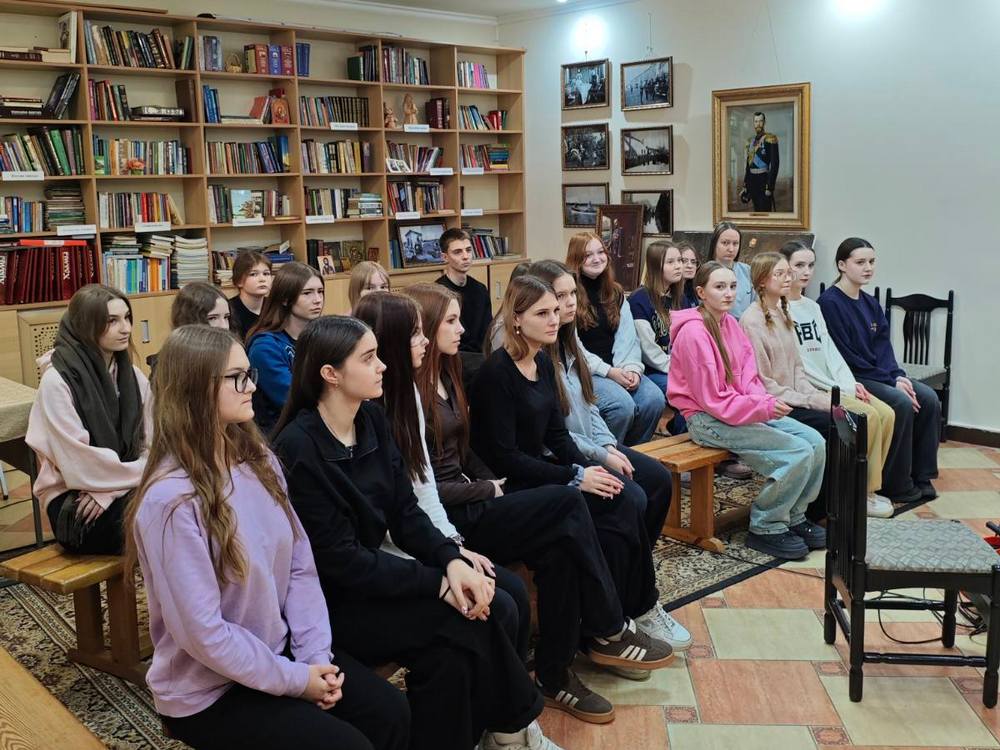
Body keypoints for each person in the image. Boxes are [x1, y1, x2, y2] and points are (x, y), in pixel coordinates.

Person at [272, 316, 560, 750]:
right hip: (332, 604)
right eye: (368, 358)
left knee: (457, 644)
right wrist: (438, 583)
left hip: (375, 579)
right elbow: (341, 561)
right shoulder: (299, 448)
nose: (383, 366)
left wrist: (451, 559)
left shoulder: (371, 419)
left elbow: (405, 512)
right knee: (468, 620)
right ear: (330, 374)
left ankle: (495, 733)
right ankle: (513, 730)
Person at [126, 325, 408, 750]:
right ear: (196, 389)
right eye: (237, 377)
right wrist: (297, 680)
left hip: (278, 655)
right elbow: (204, 634)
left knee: (391, 714)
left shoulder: (258, 459)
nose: (252, 386)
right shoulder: (169, 501)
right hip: (210, 690)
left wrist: (315, 658)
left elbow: (300, 565)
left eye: (250, 374)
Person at [407, 283, 674, 724]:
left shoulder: (449, 373)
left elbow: (472, 450)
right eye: (450, 321)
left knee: (568, 542)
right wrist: (494, 487)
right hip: (458, 515)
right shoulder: (421, 392)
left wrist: (501, 480)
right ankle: (609, 626)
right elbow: (428, 485)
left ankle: (556, 673)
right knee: (569, 505)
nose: (462, 329)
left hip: (484, 492)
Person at [470, 276, 681, 656]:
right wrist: (576, 476)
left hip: (541, 468)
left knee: (622, 496)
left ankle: (633, 606)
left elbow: (557, 436)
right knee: (612, 504)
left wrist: (591, 468)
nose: (555, 319)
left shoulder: (542, 362)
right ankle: (607, 626)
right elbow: (505, 458)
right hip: (512, 481)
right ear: (516, 319)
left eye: (556, 310)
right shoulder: (496, 373)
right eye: (543, 313)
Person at [351, 291, 532, 669]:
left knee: (512, 591)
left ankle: (513, 696)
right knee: (497, 604)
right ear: (391, 342)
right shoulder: (367, 413)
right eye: (416, 333)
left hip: (424, 537)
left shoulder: (406, 395)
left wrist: (452, 546)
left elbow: (422, 487)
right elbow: (389, 522)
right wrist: (443, 560)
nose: (426, 340)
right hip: (394, 558)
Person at [668, 262, 826, 560]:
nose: (728, 293)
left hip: (737, 410)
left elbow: (750, 378)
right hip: (706, 419)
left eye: (732, 286)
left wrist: (763, 402)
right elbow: (714, 400)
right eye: (719, 287)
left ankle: (794, 516)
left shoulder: (730, 323)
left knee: (815, 442)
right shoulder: (693, 334)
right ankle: (766, 525)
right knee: (796, 452)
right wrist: (763, 407)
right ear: (701, 292)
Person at [25, 284, 152, 554]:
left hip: (120, 488)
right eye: (112, 321)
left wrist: (111, 490)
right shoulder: (56, 382)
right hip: (76, 501)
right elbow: (79, 464)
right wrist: (139, 475)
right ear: (85, 326)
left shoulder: (133, 376)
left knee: (181, 502)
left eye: (127, 317)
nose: (126, 328)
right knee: (164, 517)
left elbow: (155, 444)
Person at [778, 241, 897, 516]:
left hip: (834, 382)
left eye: (810, 265)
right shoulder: (781, 310)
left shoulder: (812, 307)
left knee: (887, 414)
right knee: (867, 417)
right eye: (798, 265)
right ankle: (859, 493)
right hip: (815, 387)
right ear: (783, 268)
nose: (806, 272)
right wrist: (836, 388)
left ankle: (868, 489)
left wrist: (850, 383)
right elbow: (802, 364)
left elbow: (830, 352)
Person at [819, 237, 940, 501]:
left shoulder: (870, 301)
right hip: (854, 376)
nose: (868, 268)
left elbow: (883, 347)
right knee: (901, 402)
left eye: (872, 262)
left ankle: (922, 475)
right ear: (841, 265)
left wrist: (897, 376)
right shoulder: (829, 303)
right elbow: (845, 356)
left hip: (880, 374)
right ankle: (896, 483)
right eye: (860, 262)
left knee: (928, 398)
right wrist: (890, 381)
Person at [738, 252, 835, 522]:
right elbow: (764, 383)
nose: (787, 279)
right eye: (779, 274)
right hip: (773, 404)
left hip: (793, 397)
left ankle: (833, 503)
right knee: (827, 425)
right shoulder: (751, 321)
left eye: (787, 273)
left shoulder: (782, 313)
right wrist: (809, 402)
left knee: (841, 416)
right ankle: (811, 510)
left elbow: (797, 369)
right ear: (761, 281)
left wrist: (814, 396)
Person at [565, 232, 665, 445]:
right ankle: (606, 454)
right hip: (586, 371)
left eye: (601, 252)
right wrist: (609, 372)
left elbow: (628, 338)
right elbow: (574, 347)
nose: (597, 259)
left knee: (654, 400)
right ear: (576, 259)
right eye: (588, 255)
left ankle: (633, 452)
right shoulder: (568, 296)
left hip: (619, 367)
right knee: (622, 406)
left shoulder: (615, 292)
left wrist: (632, 369)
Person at [702, 223, 756, 479]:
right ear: (715, 244)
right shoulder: (706, 272)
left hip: (745, 335)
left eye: (735, 243)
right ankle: (726, 454)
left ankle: (750, 446)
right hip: (716, 335)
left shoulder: (746, 271)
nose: (730, 248)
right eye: (725, 243)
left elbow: (754, 307)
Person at [247, 262, 324, 435]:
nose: (317, 299)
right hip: (284, 432)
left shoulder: (320, 336)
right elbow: (294, 399)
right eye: (307, 293)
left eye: (320, 291)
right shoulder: (265, 347)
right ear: (285, 298)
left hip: (317, 423)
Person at [628, 240, 688, 434]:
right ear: (655, 267)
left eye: (679, 260)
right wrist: (679, 369)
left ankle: (682, 429)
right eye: (670, 262)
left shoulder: (681, 298)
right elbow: (648, 351)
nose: (678, 266)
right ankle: (681, 433)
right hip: (653, 370)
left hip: (679, 366)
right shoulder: (639, 300)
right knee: (686, 392)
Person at [436, 228, 492, 379]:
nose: (466, 256)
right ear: (445, 257)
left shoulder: (480, 289)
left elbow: (487, 331)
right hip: (453, 360)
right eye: (458, 252)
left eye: (468, 250)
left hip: (481, 358)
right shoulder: (439, 293)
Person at [148, 282, 234, 373]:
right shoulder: (171, 364)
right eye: (212, 318)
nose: (224, 326)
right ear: (190, 320)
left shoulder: (232, 352)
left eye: (226, 317)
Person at [229, 250, 273, 340]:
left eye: (266, 273)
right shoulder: (229, 310)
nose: (262, 279)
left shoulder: (275, 307)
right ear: (239, 281)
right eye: (253, 274)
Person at [741, 111, 779, 211]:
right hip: (752, 181)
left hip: (764, 180)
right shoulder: (750, 141)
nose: (758, 124)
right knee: (756, 210)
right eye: (756, 121)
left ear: (764, 122)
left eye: (760, 121)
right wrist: (746, 184)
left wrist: (770, 186)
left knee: (765, 210)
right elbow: (748, 165)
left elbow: (775, 164)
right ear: (753, 123)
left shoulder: (770, 139)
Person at [678, 242, 699, 309]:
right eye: (684, 261)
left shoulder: (694, 289)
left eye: (693, 262)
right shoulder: (668, 292)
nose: (690, 266)